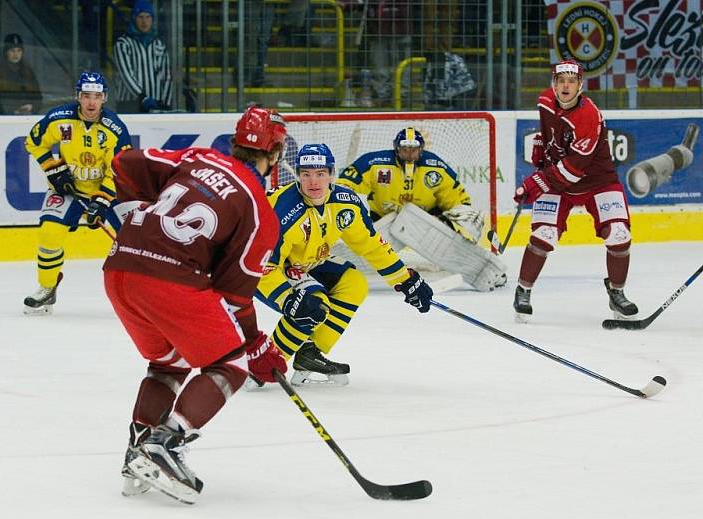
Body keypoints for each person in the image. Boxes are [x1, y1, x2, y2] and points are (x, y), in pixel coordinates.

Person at [103, 107, 288, 503]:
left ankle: (137, 451)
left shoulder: (198, 156)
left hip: (118, 266)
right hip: (166, 280)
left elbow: (124, 162)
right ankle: (162, 445)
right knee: (231, 364)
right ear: (273, 154)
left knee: (170, 360)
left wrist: (131, 217)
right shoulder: (260, 212)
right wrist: (256, 346)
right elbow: (234, 297)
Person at [254, 143, 434, 387]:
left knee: (354, 283)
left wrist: (406, 279)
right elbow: (262, 266)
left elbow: (371, 246)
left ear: (331, 174)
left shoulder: (345, 203)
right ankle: (266, 364)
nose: (313, 182)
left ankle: (310, 353)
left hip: (306, 261)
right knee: (312, 303)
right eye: (306, 174)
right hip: (262, 268)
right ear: (297, 175)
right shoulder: (282, 209)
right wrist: (288, 299)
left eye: (320, 174)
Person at [512, 59, 638, 322]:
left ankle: (617, 292)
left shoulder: (588, 117)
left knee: (618, 234)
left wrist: (535, 183)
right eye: (560, 81)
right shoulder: (545, 101)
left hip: (596, 180)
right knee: (543, 235)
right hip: (558, 176)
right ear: (553, 85)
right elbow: (550, 131)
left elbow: (573, 170)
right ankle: (523, 290)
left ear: (580, 85)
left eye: (571, 81)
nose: (565, 86)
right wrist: (541, 142)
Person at [336, 127, 507, 292]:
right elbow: (345, 184)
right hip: (381, 217)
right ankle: (333, 268)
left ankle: (489, 268)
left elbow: (455, 196)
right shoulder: (374, 163)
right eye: (405, 149)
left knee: (460, 225)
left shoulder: (435, 167)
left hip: (427, 218)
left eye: (414, 150)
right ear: (396, 149)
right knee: (362, 240)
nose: (410, 154)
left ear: (422, 149)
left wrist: (463, 219)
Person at [22, 71, 132, 315]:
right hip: (69, 188)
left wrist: (101, 203)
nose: (91, 102)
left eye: (97, 96)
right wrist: (55, 170)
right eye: (86, 96)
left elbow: (120, 169)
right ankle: (47, 287)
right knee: (49, 233)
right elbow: (33, 141)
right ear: (78, 96)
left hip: (109, 191)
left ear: (105, 98)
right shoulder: (59, 119)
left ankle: (142, 292)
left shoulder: (115, 128)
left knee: (133, 239)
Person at [113, 0, 172, 113]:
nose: (144, 21)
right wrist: (142, 97)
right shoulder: (123, 44)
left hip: (155, 104)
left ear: (152, 19)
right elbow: (126, 75)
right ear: (134, 18)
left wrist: (166, 103)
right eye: (140, 17)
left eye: (148, 17)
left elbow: (166, 75)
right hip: (129, 104)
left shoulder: (158, 44)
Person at [0, 33, 42, 115]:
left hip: (27, 117)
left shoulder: (28, 72)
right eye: (12, 50)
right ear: (6, 52)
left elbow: (38, 98)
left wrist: (32, 106)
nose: (16, 54)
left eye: (19, 50)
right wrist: (13, 111)